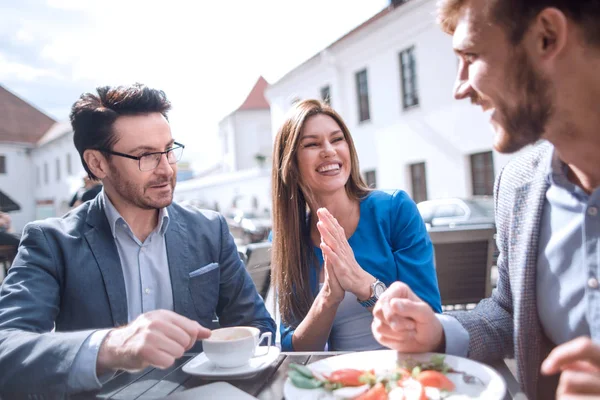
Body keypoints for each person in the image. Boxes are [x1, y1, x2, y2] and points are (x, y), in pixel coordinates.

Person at [371, 1, 600, 399]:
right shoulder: (518, 185)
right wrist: (439, 332)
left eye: (471, 56)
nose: (460, 87)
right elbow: (511, 312)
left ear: (546, 36)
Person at [0, 84, 275, 397]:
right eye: (145, 156)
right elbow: (6, 351)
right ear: (97, 163)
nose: (166, 168)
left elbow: (261, 330)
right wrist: (113, 346)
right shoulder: (51, 242)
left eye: (169, 150)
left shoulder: (210, 230)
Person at [271, 99, 441, 352]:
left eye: (337, 139)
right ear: (291, 164)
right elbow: (293, 349)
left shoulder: (395, 209)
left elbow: (428, 319)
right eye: (312, 144)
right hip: (337, 381)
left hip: (407, 371)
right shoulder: (288, 239)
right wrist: (328, 299)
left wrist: (364, 285)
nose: (329, 150)